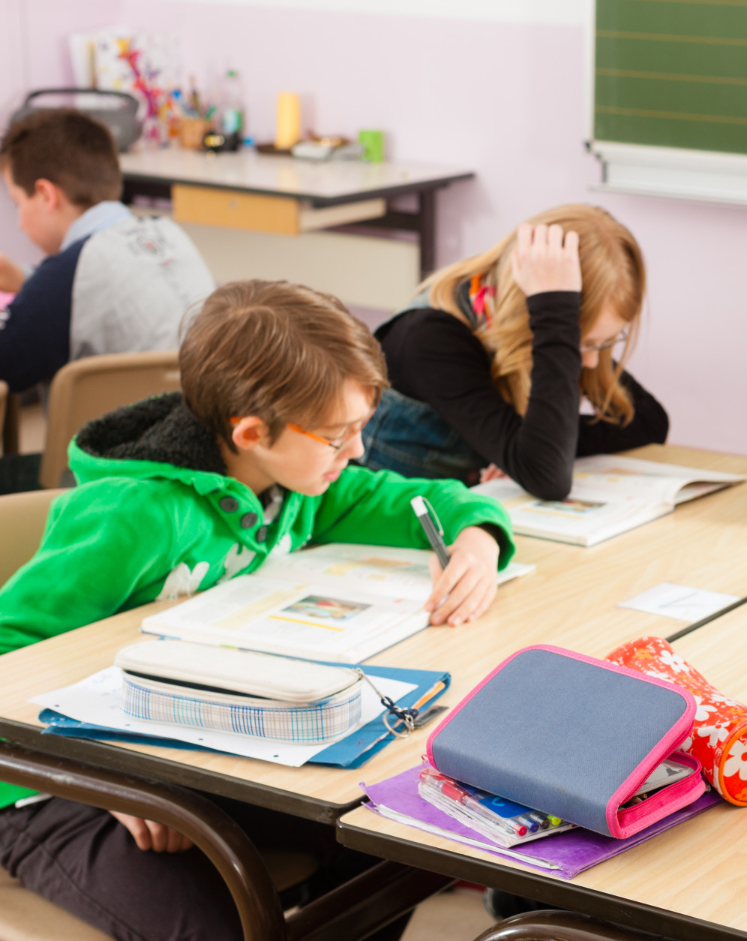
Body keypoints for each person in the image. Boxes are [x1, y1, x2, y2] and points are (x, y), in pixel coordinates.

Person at [0, 280, 514, 941]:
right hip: (53, 784)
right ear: (250, 431)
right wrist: (101, 777)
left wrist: (475, 538)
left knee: (397, 840)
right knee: (214, 928)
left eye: (361, 428)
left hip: (199, 757)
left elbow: (425, 500)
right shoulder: (135, 513)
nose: (356, 452)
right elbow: (11, 649)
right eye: (339, 436)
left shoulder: (293, 481)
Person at [361, 204, 668, 499]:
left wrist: (526, 449)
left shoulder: (540, 326)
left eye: (604, 343)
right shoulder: (429, 338)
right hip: (397, 528)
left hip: (474, 523)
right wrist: (530, 454)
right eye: (582, 344)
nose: (588, 362)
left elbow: (649, 422)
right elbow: (549, 479)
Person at [0, 107, 214, 394]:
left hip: (115, 435)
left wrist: (36, 286)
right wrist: (28, 279)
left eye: (18, 203)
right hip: (207, 427)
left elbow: (7, 366)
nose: (20, 222)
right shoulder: (169, 234)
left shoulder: (67, 275)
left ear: (46, 195)